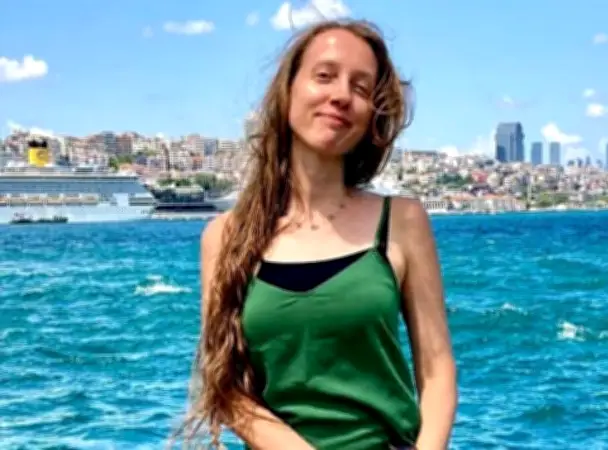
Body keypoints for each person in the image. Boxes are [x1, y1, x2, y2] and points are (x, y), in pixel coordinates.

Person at [177, 19, 457, 450]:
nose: (341, 95)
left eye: (360, 88)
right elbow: (226, 387)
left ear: (371, 116)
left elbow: (437, 373)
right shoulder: (225, 236)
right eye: (324, 76)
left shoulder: (402, 220)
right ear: (288, 91)